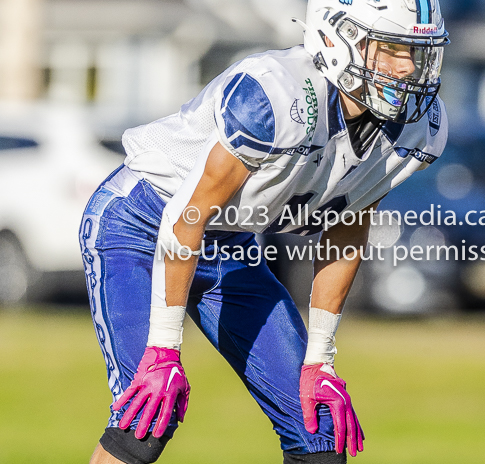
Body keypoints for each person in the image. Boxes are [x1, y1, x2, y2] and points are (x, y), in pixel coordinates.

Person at [79, 0, 449, 462]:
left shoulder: (418, 129)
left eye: (417, 51)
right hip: (144, 225)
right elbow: (187, 217)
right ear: (339, 38)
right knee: (146, 420)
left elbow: (349, 225)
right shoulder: (274, 96)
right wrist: (164, 349)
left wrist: (320, 358)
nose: (409, 67)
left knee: (319, 434)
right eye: (393, 48)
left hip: (229, 244)